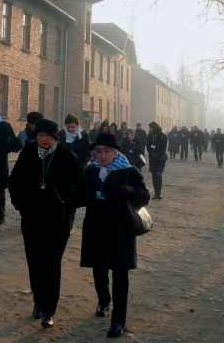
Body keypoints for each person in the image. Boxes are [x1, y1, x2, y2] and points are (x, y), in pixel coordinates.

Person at [8, 118, 82, 328]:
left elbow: (79, 186)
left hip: (57, 219)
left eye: (48, 136)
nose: (44, 139)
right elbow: (14, 181)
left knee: (51, 263)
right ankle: (38, 301)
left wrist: (67, 205)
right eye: (40, 135)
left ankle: (49, 309)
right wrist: (20, 204)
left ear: (55, 137)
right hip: (32, 218)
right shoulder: (28, 152)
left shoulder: (66, 155)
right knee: (35, 261)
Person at [81, 132, 150, 338]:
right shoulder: (91, 170)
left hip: (120, 229)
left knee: (120, 274)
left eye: (107, 151)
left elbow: (144, 196)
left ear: (115, 152)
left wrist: (128, 190)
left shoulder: (129, 171)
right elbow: (80, 193)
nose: (102, 155)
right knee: (99, 269)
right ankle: (103, 300)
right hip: (96, 227)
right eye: (99, 151)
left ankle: (118, 320)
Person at [145, 123, 168, 199]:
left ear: (154, 128)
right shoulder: (150, 136)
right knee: (154, 176)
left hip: (160, 159)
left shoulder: (163, 136)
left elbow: (163, 148)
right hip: (152, 158)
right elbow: (148, 145)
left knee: (158, 175)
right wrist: (151, 152)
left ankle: (158, 193)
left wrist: (157, 153)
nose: (150, 129)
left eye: (150, 128)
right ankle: (156, 193)